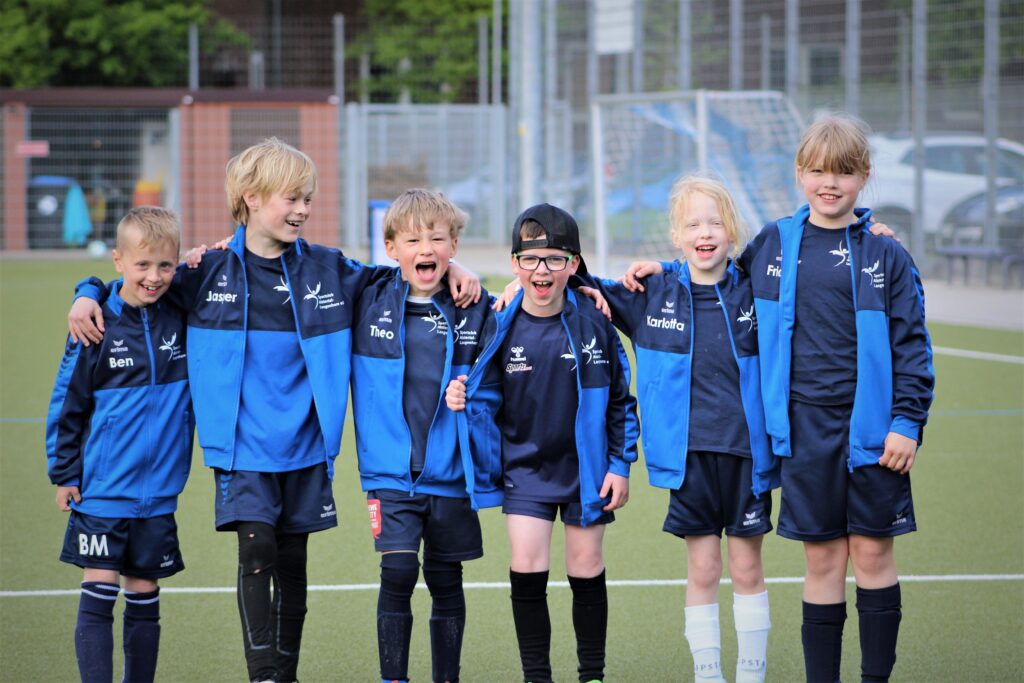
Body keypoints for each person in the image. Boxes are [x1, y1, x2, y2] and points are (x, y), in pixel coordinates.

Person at [65, 138, 481, 683]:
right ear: (252, 197)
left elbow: (404, 275)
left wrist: (457, 269)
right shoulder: (205, 272)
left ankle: (285, 671)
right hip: (242, 446)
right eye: (292, 198)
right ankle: (262, 673)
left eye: (307, 199)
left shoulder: (330, 269)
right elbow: (143, 281)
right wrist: (89, 290)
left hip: (307, 446)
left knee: (292, 563)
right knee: (255, 549)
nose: (303, 209)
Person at [632, 114, 934, 683]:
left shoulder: (885, 255)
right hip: (802, 432)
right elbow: (715, 272)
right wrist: (667, 270)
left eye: (844, 173)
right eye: (818, 170)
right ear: (799, 174)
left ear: (863, 177)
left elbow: (913, 346)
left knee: (871, 555)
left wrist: (906, 422)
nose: (829, 182)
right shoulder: (774, 241)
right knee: (821, 560)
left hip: (871, 433)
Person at [575, 176, 779, 682]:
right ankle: (707, 674)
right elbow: (577, 284)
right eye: (693, 224)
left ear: (732, 232)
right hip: (688, 461)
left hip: (747, 458)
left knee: (748, 570)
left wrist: (872, 229)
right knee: (704, 571)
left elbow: (810, 250)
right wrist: (519, 277)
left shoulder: (756, 289)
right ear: (675, 235)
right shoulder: (652, 293)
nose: (705, 232)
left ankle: (751, 674)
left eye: (715, 223)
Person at [446, 203, 640, 683]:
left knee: (586, 567)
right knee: (527, 565)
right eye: (531, 260)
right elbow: (477, 392)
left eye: (555, 259)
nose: (542, 270)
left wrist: (620, 463)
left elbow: (621, 400)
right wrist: (458, 392)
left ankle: (591, 673)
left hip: (587, 471)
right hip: (525, 469)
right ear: (514, 263)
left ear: (573, 264)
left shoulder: (595, 321)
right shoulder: (498, 323)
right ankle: (537, 676)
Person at [349, 189, 494, 683]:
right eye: (413, 239)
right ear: (391, 248)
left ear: (454, 246)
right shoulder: (365, 299)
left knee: (446, 578)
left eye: (437, 238)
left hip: (452, 473)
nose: (425, 248)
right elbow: (304, 265)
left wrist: (471, 394)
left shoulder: (476, 308)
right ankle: (394, 677)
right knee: (398, 572)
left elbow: (501, 373)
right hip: (390, 473)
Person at [47, 206, 194, 683]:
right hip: (103, 490)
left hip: (158, 495)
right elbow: (67, 403)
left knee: (145, 593)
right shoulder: (95, 325)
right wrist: (65, 472)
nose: (154, 277)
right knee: (99, 590)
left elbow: (216, 273)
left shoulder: (180, 312)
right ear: (118, 261)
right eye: (142, 265)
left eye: (165, 265)